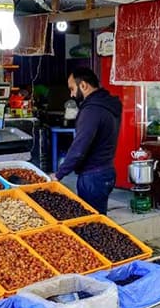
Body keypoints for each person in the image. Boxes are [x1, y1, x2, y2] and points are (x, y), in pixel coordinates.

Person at [51, 67, 122, 214]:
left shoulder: (91, 110)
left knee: (92, 222)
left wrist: (58, 174)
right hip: (106, 171)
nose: (71, 94)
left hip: (93, 177)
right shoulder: (108, 105)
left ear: (83, 85)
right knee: (99, 219)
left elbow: (79, 148)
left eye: (72, 89)